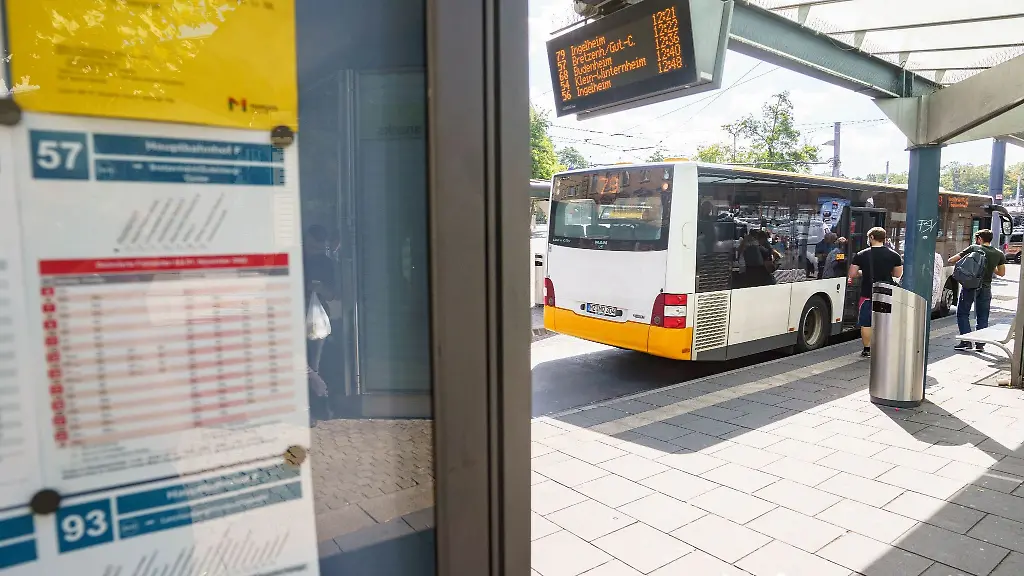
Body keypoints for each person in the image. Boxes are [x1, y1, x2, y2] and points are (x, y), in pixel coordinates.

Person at [848, 227, 904, 358]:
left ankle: (867, 349)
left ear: (871, 237)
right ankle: (882, 347)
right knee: (884, 321)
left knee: (866, 322)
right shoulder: (894, 255)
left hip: (867, 293)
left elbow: (852, 273)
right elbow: (898, 274)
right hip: (886, 293)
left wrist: (863, 272)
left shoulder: (861, 254)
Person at [949, 229, 1006, 351]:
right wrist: (990, 267)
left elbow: (952, 260)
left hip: (970, 286)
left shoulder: (974, 248)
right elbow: (1001, 273)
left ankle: (966, 342)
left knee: (963, 313)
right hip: (985, 288)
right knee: (982, 316)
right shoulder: (998, 253)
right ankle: (980, 344)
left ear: (979, 238)